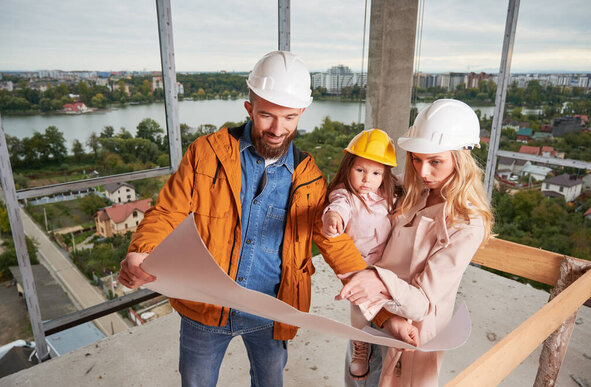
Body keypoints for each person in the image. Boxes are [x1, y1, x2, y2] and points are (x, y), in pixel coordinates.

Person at [118, 50, 370, 387]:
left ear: (302, 113)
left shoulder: (309, 176)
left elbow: (330, 238)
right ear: (250, 107)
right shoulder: (205, 154)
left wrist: (368, 286)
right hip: (204, 308)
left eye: (290, 118)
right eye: (266, 115)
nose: (278, 129)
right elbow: (168, 211)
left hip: (271, 310)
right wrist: (142, 250)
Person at [337, 99, 494, 386]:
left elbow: (421, 304)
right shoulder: (411, 191)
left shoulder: (466, 224)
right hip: (371, 312)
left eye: (435, 162)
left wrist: (376, 277)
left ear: (461, 158)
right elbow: (355, 188)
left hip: (408, 333)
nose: (423, 172)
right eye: (416, 159)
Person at [321, 128, 405, 379]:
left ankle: (392, 350)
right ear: (348, 167)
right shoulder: (345, 195)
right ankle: (360, 344)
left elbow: (408, 180)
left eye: (376, 172)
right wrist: (332, 218)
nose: (367, 179)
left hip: (385, 266)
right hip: (358, 266)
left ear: (384, 174)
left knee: (391, 305)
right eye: (360, 170)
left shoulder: (387, 194)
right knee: (360, 307)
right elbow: (337, 207)